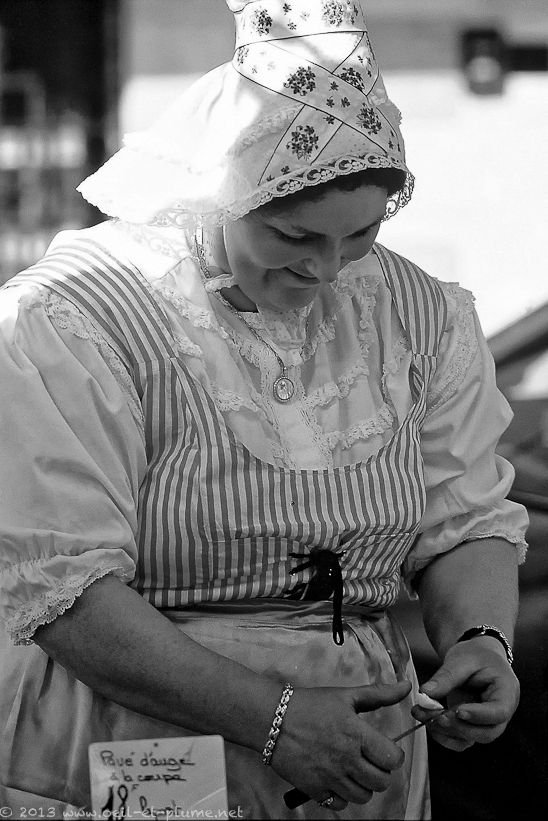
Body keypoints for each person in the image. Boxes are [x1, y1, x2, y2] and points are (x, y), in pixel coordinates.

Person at [0, 1, 528, 818]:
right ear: (222, 192)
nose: (327, 270)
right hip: (140, 744)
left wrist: (481, 639)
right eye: (293, 236)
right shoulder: (77, 318)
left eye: (359, 235)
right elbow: (65, 589)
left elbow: (462, 521)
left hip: (359, 759)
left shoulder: (421, 316)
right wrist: (277, 719)